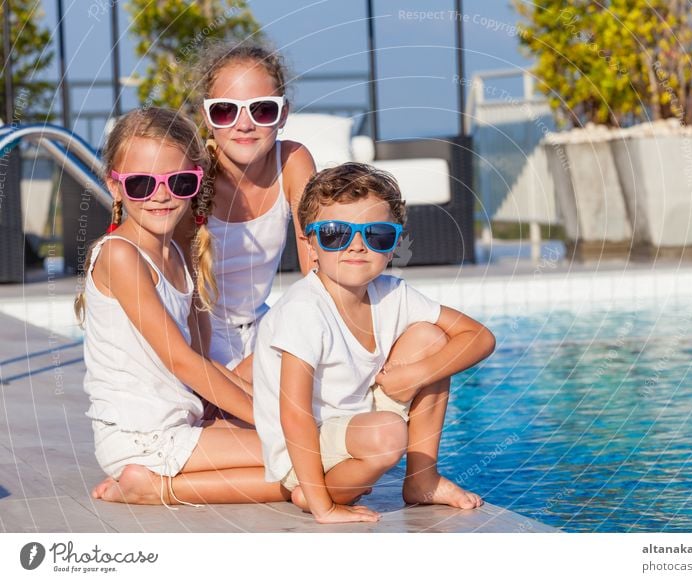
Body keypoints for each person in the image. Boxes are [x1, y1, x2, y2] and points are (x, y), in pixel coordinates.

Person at [253, 163, 496, 524]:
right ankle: (318, 490)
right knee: (387, 432)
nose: (356, 245)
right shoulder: (305, 309)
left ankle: (422, 479)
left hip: (363, 422)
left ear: (395, 243)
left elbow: (479, 337)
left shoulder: (393, 293)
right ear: (309, 244)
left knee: (432, 339)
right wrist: (323, 506)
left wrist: (416, 373)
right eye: (335, 233)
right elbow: (295, 414)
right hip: (308, 448)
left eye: (376, 235)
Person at [75, 107, 288, 506]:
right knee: (298, 462)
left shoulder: (176, 253)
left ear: (196, 183)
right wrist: (273, 421)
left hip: (177, 423)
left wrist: (268, 407)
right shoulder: (121, 255)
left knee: (307, 452)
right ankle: (153, 488)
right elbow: (183, 362)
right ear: (116, 187)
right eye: (140, 184)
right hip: (139, 436)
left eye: (178, 182)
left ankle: (158, 479)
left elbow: (202, 359)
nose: (160, 195)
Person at [194, 39, 315, 379]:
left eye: (262, 109)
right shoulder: (193, 175)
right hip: (199, 339)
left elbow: (317, 273)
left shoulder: (292, 161)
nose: (243, 124)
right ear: (207, 116)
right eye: (225, 110)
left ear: (283, 114)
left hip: (265, 331)